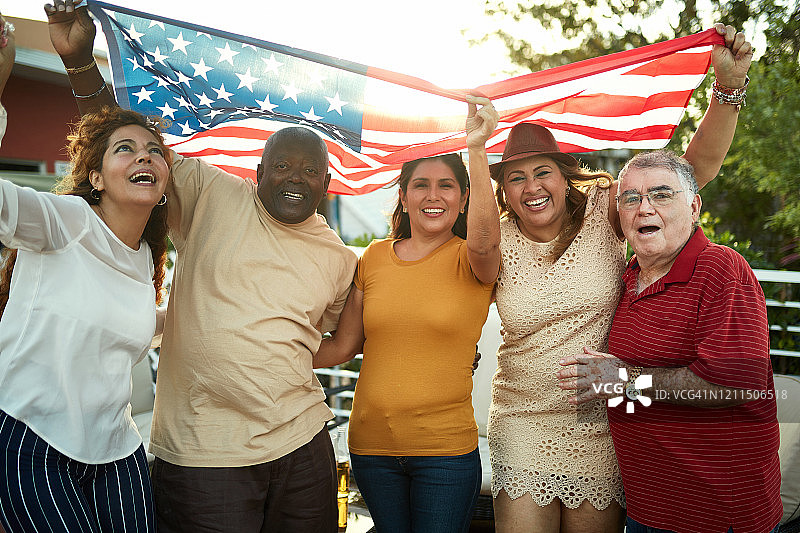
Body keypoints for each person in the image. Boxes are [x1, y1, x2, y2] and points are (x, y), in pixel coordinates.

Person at [45, 1, 358, 531]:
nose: (295, 178)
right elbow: (126, 150)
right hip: (202, 455)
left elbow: (333, 340)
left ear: (328, 182)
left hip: (302, 445)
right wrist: (79, 62)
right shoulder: (211, 192)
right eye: (281, 165)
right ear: (258, 171)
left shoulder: (338, 257)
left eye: (310, 170)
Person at [486, 24, 753, 533]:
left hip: (603, 421)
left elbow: (695, 168)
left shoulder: (606, 208)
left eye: (542, 172)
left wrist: (726, 90)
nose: (531, 186)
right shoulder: (493, 239)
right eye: (515, 176)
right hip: (521, 419)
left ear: (567, 176)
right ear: (502, 189)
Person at [557, 150, 782, 533]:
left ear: (694, 207)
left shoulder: (721, 268)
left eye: (662, 195)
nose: (644, 208)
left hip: (714, 515)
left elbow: (733, 384)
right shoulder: (628, 277)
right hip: (646, 509)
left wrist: (624, 379)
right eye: (630, 198)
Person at [313, 96, 500, 532]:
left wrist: (476, 149)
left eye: (446, 185)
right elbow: (343, 345)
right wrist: (269, 354)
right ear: (403, 194)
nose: (433, 196)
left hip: (445, 454)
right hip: (371, 449)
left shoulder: (473, 258)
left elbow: (487, 239)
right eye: (421, 184)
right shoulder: (374, 258)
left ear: (464, 196)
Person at [0, 91, 171, 533]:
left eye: (155, 151)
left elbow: (119, 328)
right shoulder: (66, 219)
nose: (144, 158)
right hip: (30, 438)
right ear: (95, 176)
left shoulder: (146, 255)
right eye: (126, 149)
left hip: (116, 448)